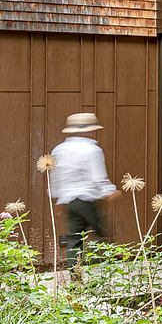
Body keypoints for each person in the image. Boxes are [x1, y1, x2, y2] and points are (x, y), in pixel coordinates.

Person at [49, 111, 117, 267]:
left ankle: (75, 275)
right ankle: (106, 268)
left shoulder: (59, 150)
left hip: (69, 202)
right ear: (88, 130)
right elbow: (98, 176)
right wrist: (109, 191)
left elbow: (56, 177)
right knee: (102, 234)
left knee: (74, 239)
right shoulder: (92, 150)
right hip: (86, 199)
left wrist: (58, 200)